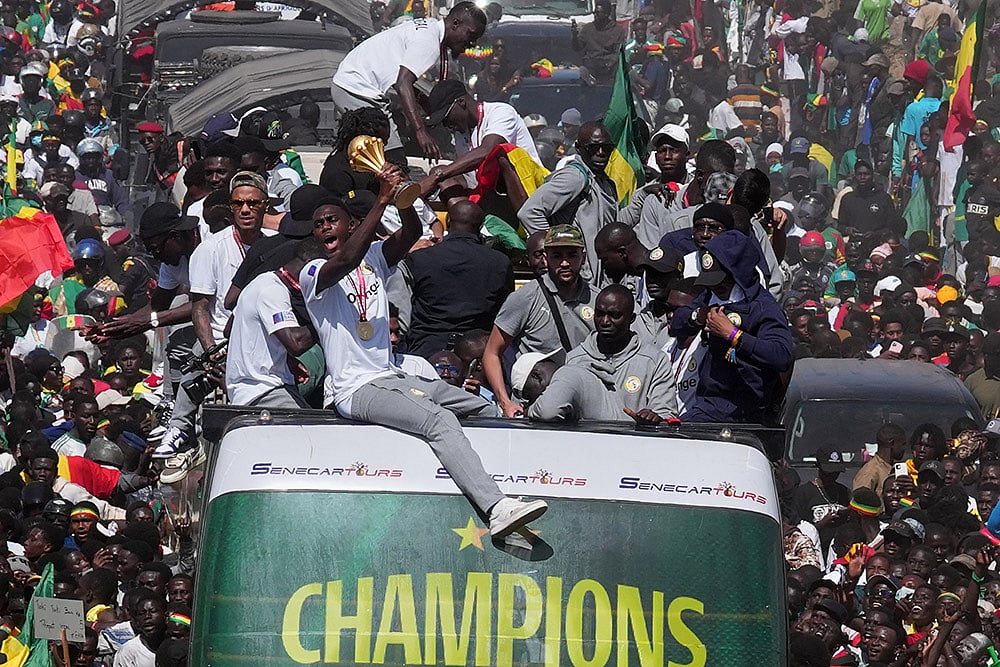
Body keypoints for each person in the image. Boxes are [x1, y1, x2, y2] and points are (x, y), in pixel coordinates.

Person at [299, 162, 547, 538]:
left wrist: (404, 197)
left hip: (392, 376)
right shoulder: (313, 271)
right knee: (438, 420)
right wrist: (382, 199)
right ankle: (496, 508)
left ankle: (504, 485)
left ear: (351, 225)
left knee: (483, 408)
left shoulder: (374, 257)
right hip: (354, 389)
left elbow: (413, 231)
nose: (324, 227)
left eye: (332, 220)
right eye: (318, 224)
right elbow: (346, 260)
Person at [153, 172, 276, 477]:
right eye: (238, 204)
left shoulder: (277, 246)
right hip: (222, 337)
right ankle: (180, 427)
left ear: (265, 205)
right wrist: (211, 350)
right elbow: (200, 307)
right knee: (196, 356)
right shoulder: (210, 249)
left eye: (252, 203)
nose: (245, 210)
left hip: (267, 337)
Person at [331, 1, 487, 161]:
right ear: (455, 23)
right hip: (357, 90)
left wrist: (422, 100)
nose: (472, 43)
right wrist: (421, 131)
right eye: (471, 35)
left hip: (348, 84)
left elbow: (398, 77)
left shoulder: (429, 27)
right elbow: (402, 83)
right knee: (394, 157)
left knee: (365, 156)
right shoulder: (429, 43)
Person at [669, 231, 793, 422]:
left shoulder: (762, 307)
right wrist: (698, 316)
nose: (716, 287)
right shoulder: (710, 297)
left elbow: (781, 355)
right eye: (711, 282)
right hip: (711, 403)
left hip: (747, 410)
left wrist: (733, 334)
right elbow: (677, 323)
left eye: (722, 280)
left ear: (739, 273)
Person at [484, 225, 596, 417]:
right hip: (534, 408)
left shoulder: (597, 299)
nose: (565, 263)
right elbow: (492, 352)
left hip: (582, 408)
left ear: (583, 258)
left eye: (572, 255)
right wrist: (505, 403)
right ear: (546, 258)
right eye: (557, 256)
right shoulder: (525, 297)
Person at [399, 200, 513, 358]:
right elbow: (505, 310)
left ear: (447, 221)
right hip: (478, 351)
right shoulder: (500, 262)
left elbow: (403, 308)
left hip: (425, 349)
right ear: (481, 227)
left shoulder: (419, 259)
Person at [518, 121, 618, 288]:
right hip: (579, 279)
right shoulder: (575, 177)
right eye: (593, 147)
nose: (601, 153)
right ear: (579, 148)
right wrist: (557, 250)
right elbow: (529, 212)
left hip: (597, 281)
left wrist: (643, 196)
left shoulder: (604, 182)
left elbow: (612, 223)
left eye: (606, 148)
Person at [562, 284, 678, 422]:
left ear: (631, 319)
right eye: (599, 314)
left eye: (615, 315)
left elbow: (666, 413)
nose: (605, 322)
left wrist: (654, 418)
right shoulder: (575, 360)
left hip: (637, 436)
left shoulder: (655, 361)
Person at [225, 246, 315, 409]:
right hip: (263, 391)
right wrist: (325, 320)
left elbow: (229, 329)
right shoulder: (273, 291)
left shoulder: (261, 281)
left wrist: (285, 361)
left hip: (255, 390)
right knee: (314, 425)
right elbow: (296, 343)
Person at [419, 79, 541, 198]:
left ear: (461, 102)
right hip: (492, 193)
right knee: (443, 175)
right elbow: (471, 176)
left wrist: (437, 177)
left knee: (500, 155)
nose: (446, 124)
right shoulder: (460, 134)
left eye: (446, 117)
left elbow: (487, 151)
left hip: (528, 187)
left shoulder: (500, 112)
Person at [570, 0, 626, 82]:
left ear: (607, 14)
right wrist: (575, 35)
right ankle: (590, 79)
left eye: (598, 13)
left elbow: (619, 51)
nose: (595, 15)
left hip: (609, 64)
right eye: (594, 12)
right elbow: (577, 48)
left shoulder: (618, 30)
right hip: (592, 62)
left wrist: (611, 62)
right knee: (588, 64)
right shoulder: (588, 28)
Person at [852, 424, 907, 491]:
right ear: (892, 443)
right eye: (903, 444)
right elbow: (860, 496)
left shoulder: (893, 469)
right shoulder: (870, 472)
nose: (904, 448)